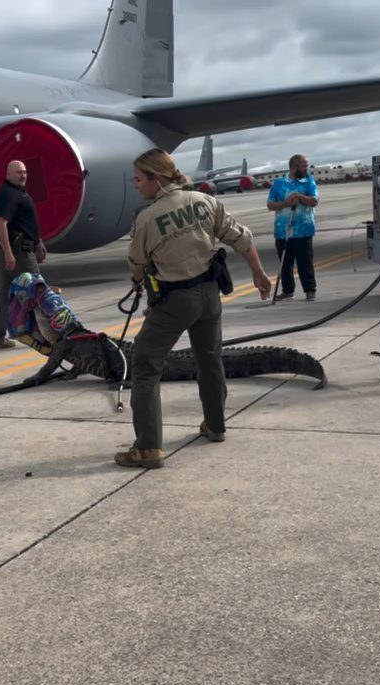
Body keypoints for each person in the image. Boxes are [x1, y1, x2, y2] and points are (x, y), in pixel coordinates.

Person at [116, 148, 272, 470]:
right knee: (210, 359)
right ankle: (215, 425)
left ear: (156, 179)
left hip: (174, 302)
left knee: (145, 366)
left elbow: (137, 264)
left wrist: (138, 280)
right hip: (209, 295)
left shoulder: (146, 219)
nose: (136, 185)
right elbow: (242, 238)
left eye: (139, 179)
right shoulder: (204, 201)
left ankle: (147, 448)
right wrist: (258, 273)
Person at [0, 160, 47, 350]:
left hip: (20, 248)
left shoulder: (18, 192)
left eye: (25, 172)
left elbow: (24, 222)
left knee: (5, 294)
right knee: (38, 291)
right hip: (18, 252)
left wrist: (38, 241)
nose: (23, 175)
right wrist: (8, 253)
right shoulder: (8, 194)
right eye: (19, 172)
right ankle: (46, 335)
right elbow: (0, 223)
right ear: (8, 174)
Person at [267, 154, 319, 300]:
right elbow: (270, 204)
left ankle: (310, 289)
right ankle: (288, 290)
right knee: (285, 263)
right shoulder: (279, 183)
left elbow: (314, 200)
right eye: (304, 166)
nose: (306, 169)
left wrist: (300, 196)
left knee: (305, 262)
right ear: (294, 167)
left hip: (303, 230)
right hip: (283, 230)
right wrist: (285, 203)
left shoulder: (308, 182)